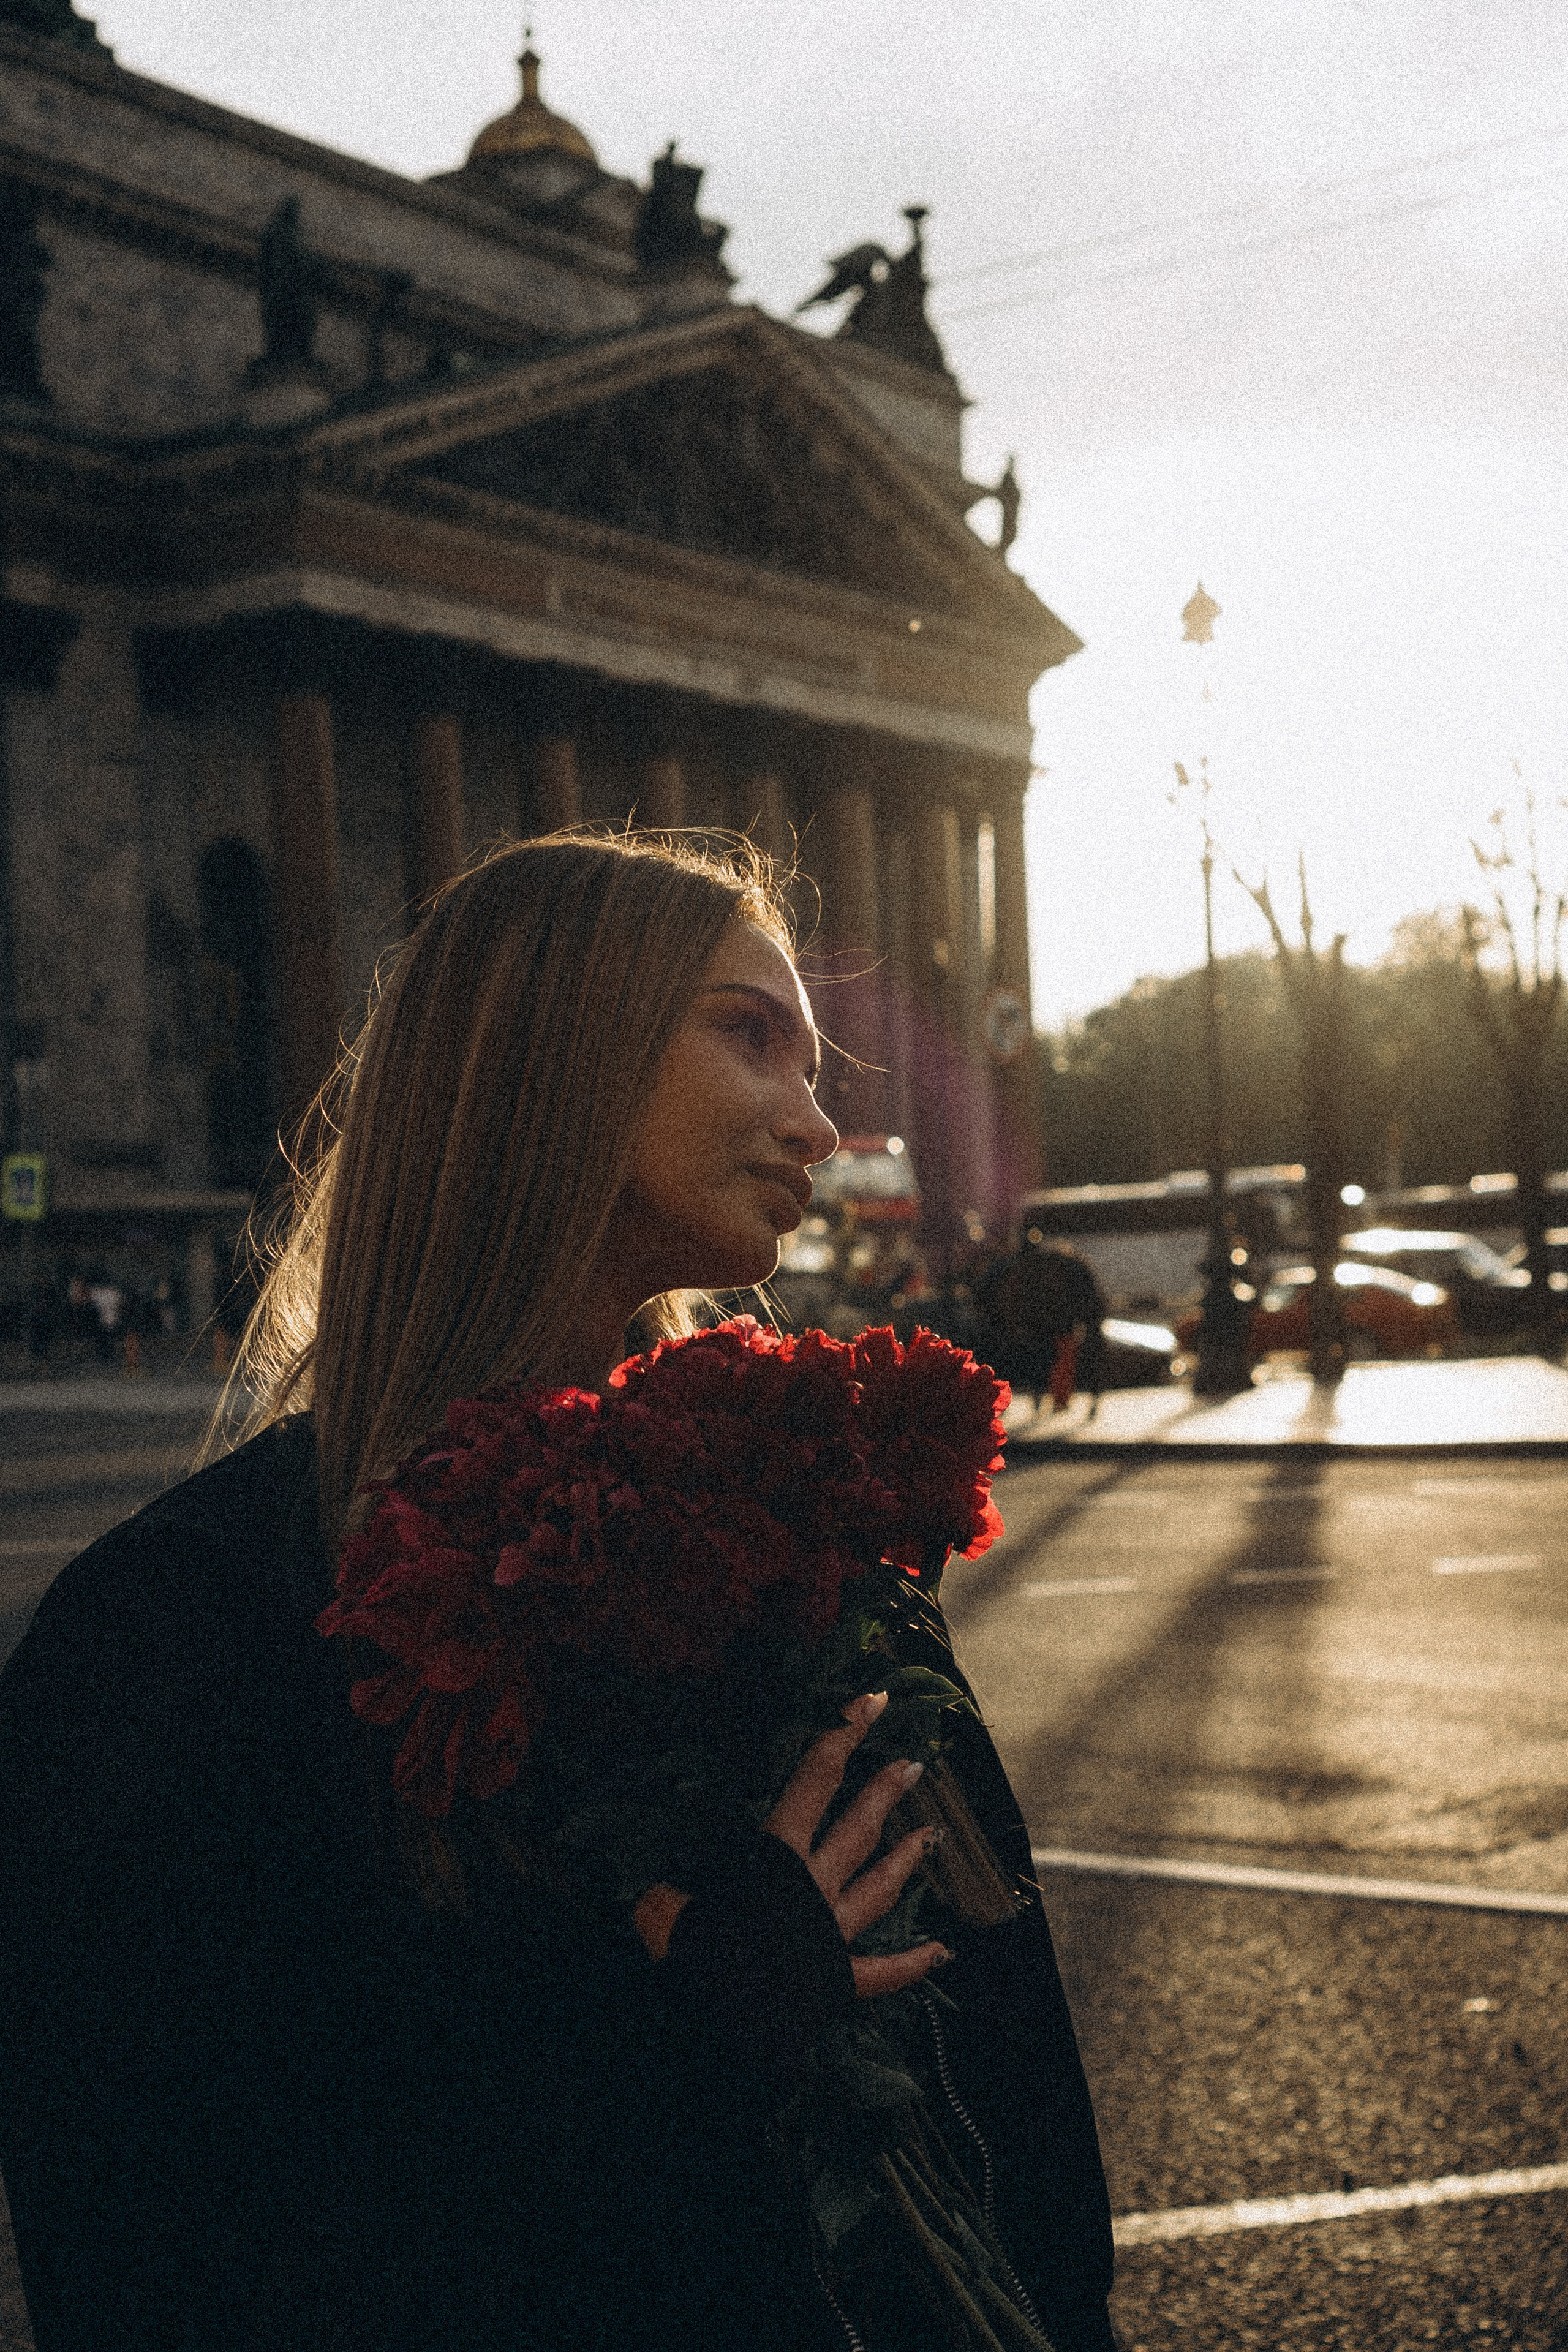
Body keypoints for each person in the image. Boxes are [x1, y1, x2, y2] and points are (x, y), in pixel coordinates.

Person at [0, 832, 1117, 2352]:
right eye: (748, 1034)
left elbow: (1014, 2097)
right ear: (551, 1055)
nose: (815, 1122)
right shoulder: (176, 1630)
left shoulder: (807, 1539)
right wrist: (674, 2044)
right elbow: (160, 2271)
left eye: (811, 1061)